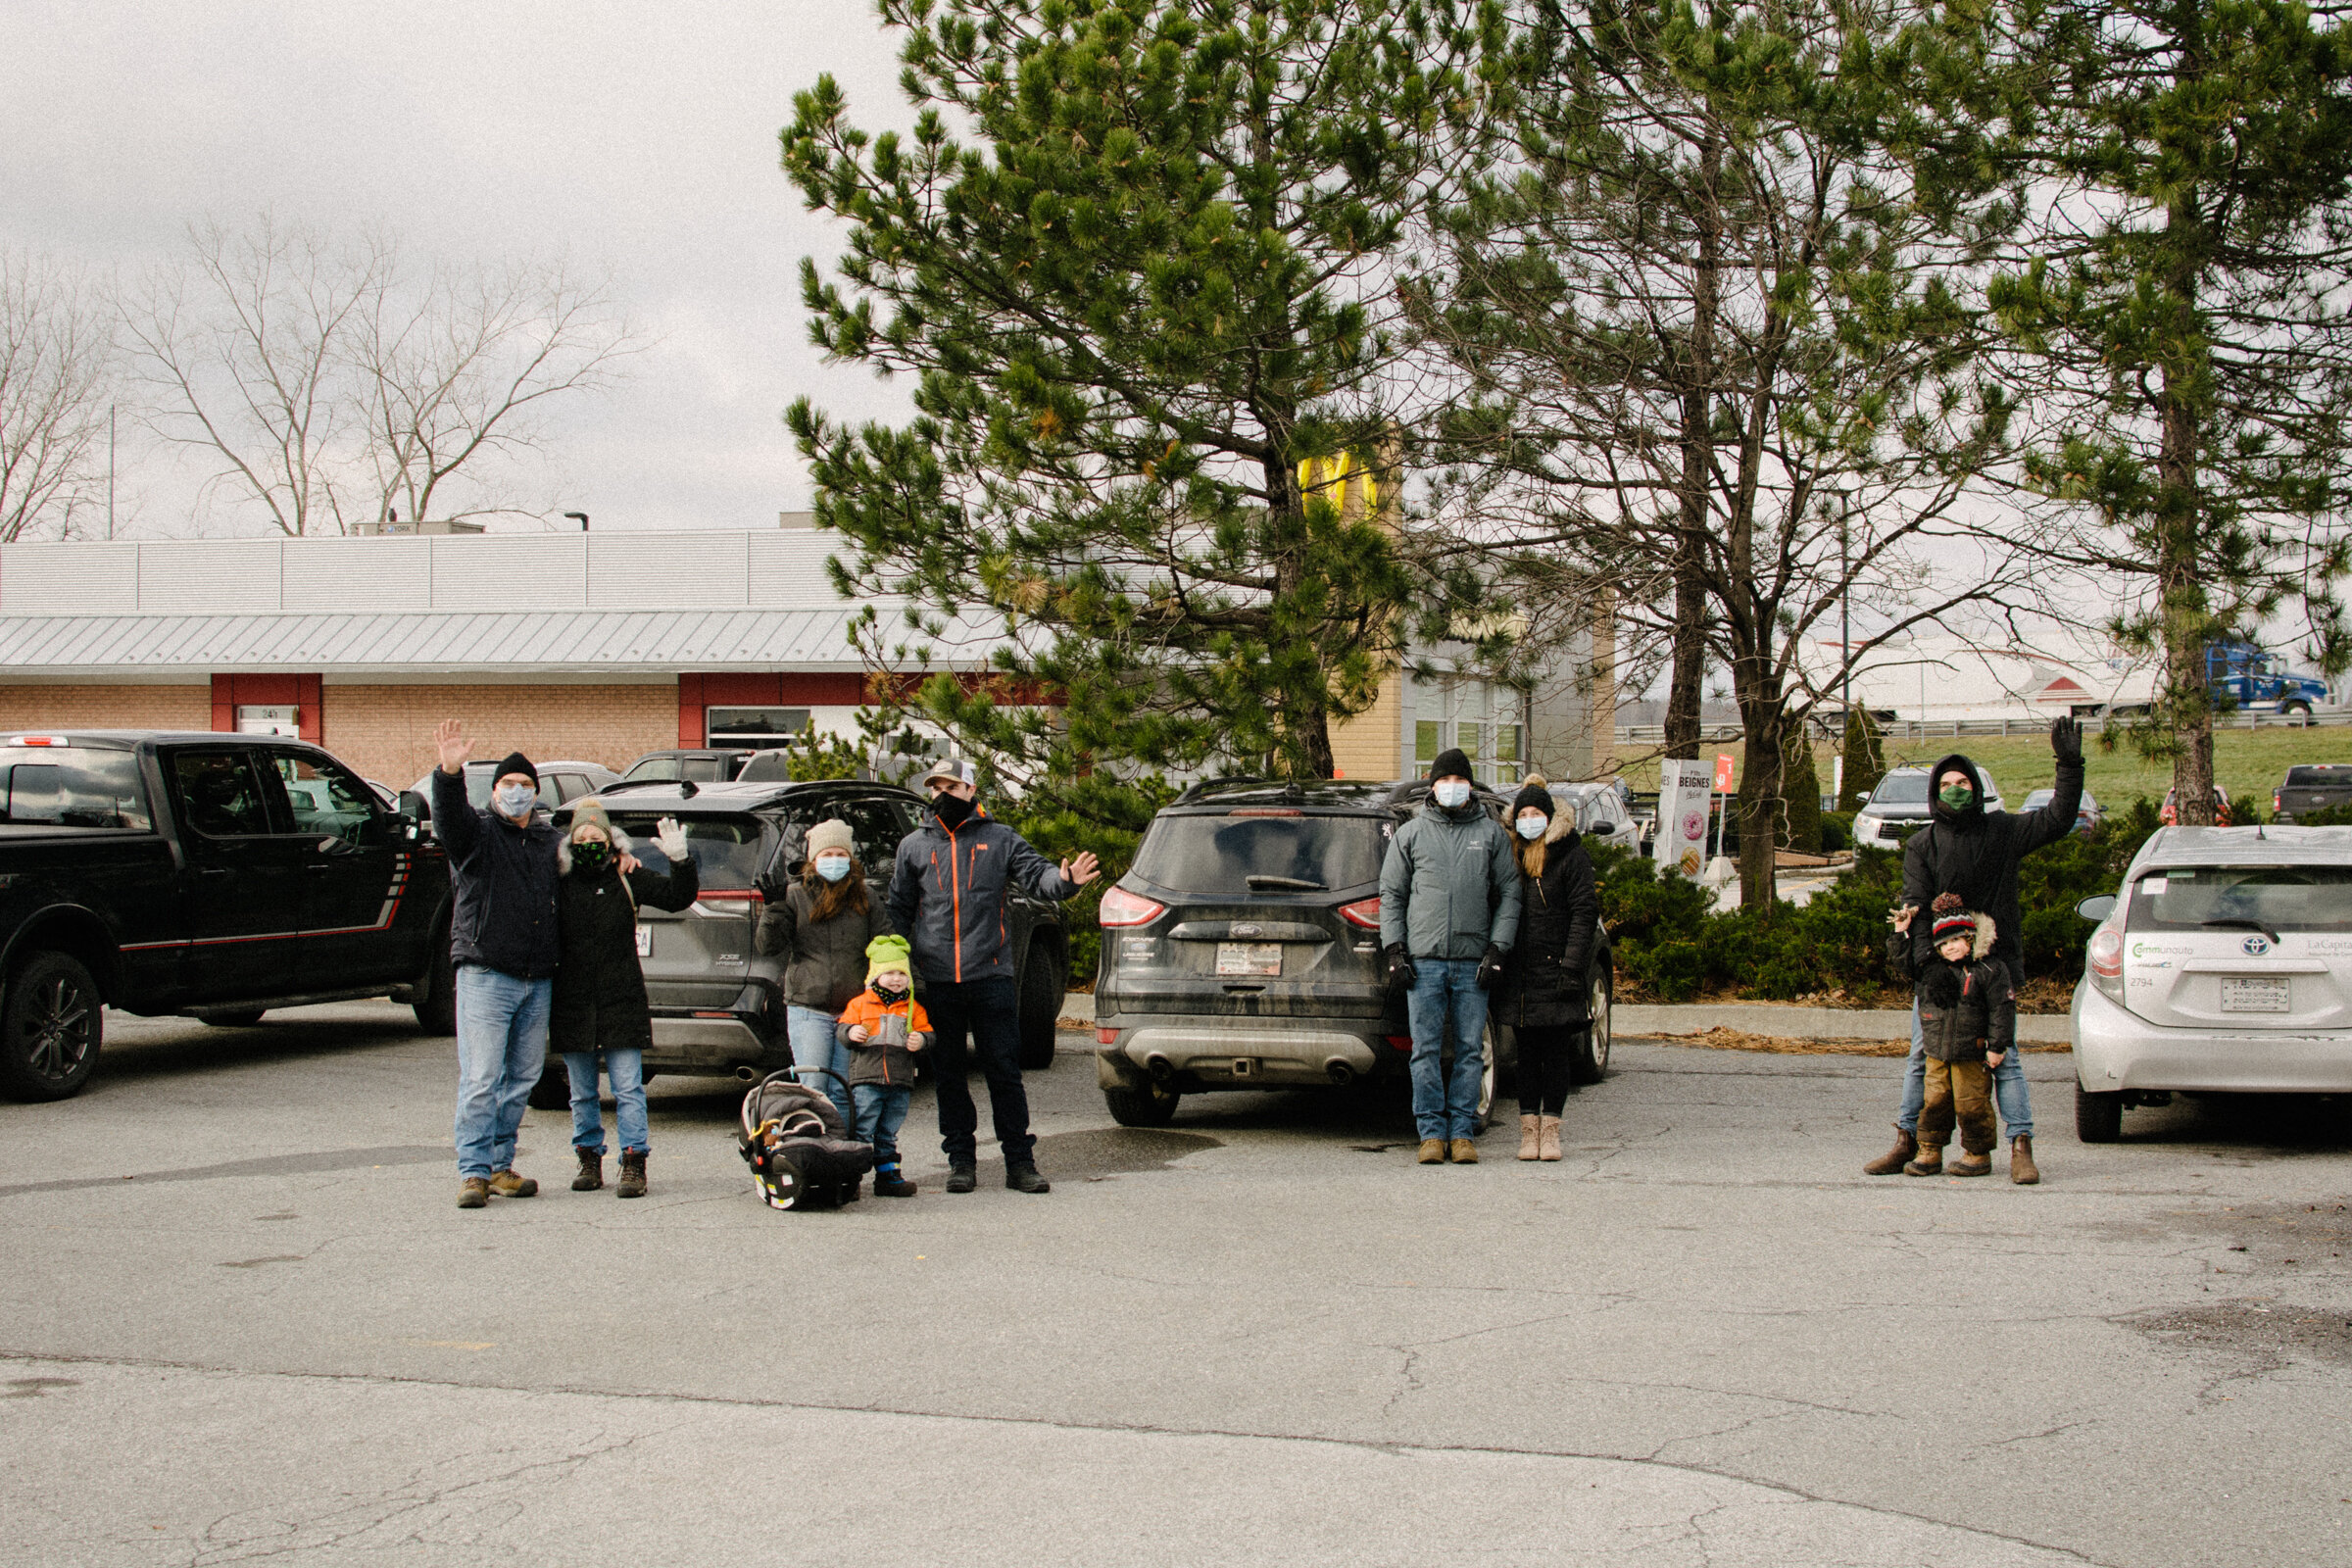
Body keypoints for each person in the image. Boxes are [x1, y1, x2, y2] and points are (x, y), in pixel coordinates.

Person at [1864, 716, 2082, 1186]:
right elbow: (1915, 906)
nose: (1955, 790)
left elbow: (2059, 818)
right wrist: (1927, 966)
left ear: (1977, 787)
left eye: (1963, 782)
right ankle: (1909, 1140)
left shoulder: (2003, 832)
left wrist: (2068, 765)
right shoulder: (1923, 844)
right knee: (1922, 1059)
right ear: (1935, 792)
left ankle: (2020, 1145)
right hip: (1939, 974)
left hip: (1992, 970)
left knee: (2005, 1059)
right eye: (1947, 784)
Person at [888, 759, 1099, 1195]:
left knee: (1004, 1072)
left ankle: (1019, 1163)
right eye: (935, 788)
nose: (943, 794)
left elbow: (1038, 876)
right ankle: (960, 1162)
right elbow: (898, 910)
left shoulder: (1000, 838)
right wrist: (891, 962)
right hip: (939, 980)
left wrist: (1065, 881)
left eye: (951, 786)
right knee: (948, 1076)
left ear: (971, 789)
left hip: (992, 977)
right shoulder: (912, 846)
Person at [432, 721, 561, 1210]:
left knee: (522, 1079)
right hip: (486, 974)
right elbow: (448, 819)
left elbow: (588, 860)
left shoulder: (549, 841)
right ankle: (472, 1172)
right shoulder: (478, 835)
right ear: (494, 790)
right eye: (509, 785)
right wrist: (449, 771)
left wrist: (623, 857)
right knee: (482, 1078)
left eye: (526, 786)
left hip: (536, 979)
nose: (517, 792)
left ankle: (501, 1165)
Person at [1379, 748, 1523, 1165]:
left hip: (1471, 961)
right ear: (1432, 785)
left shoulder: (1491, 834)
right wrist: (1395, 950)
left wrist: (1498, 948)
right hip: (1423, 962)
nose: (1453, 788)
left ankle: (1461, 1132)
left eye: (1460, 781)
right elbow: (1392, 896)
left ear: (1470, 785)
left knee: (1469, 1049)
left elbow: (1509, 894)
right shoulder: (1411, 834)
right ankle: (1429, 1133)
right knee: (1423, 1049)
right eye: (1445, 781)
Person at [552, 802, 698, 1200]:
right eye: (581, 839)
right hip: (573, 1001)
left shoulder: (626, 875)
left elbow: (677, 897)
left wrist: (680, 860)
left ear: (611, 841)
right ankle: (588, 1156)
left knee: (628, 1088)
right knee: (581, 1090)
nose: (589, 844)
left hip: (621, 998)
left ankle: (634, 1161)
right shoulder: (558, 881)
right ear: (570, 843)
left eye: (596, 838)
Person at [755, 818, 893, 1128]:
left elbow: (884, 944)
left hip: (853, 1010)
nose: (834, 861)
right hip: (809, 1007)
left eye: (840, 854)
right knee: (814, 1089)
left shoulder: (866, 897)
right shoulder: (795, 895)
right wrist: (773, 909)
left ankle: (840, 1154)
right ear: (812, 860)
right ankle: (814, 1149)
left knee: (844, 1090)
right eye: (826, 855)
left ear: (851, 858)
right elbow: (768, 947)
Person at [1494, 777, 1599, 1163]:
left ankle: (1551, 1129)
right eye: (1523, 814)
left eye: (1536, 813)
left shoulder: (1570, 855)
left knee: (1555, 1053)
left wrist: (1573, 965)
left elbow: (1584, 912)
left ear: (1549, 816)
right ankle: (1527, 1130)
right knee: (1525, 1055)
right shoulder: (1509, 855)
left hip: (1557, 971)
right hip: (1519, 974)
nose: (1529, 820)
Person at [1888, 894, 2016, 1178]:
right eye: (1943, 944)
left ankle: (1977, 1153)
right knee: (1934, 1102)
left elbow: (2001, 1010)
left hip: (1971, 1053)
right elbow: (1904, 962)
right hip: (1936, 1052)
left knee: (1972, 1105)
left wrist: (1997, 1046)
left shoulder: (1988, 969)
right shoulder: (1933, 972)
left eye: (1955, 940)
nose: (1950, 948)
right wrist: (1901, 932)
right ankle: (1929, 1150)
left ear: (1969, 937)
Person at [835, 934, 931, 1198]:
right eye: (889, 972)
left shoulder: (913, 1007)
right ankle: (850, 1178)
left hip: (900, 1081)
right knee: (863, 1129)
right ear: (875, 975)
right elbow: (842, 1030)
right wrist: (851, 1033)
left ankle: (888, 1177)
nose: (896, 978)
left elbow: (929, 1034)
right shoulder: (859, 1004)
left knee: (888, 1132)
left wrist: (921, 1040)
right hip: (867, 1080)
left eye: (901, 973)